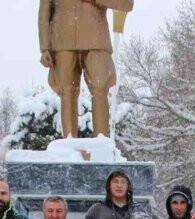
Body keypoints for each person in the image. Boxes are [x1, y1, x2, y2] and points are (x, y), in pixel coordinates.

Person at [37, 0, 133, 138]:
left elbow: (126, 4)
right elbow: (44, 12)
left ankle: (101, 141)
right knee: (66, 92)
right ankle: (69, 142)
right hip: (62, 40)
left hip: (96, 40)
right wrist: (44, 47)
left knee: (100, 88)